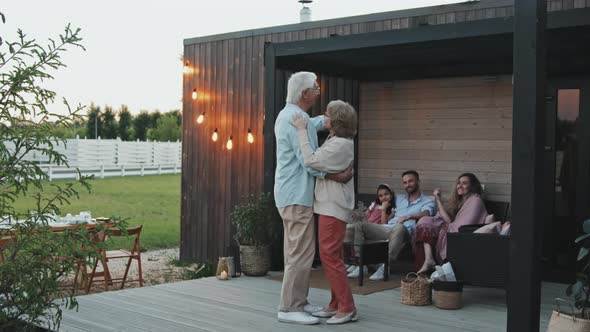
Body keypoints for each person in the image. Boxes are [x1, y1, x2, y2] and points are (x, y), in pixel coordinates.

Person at [274, 72, 352, 325]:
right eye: (315, 88)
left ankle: (299, 301)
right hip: (297, 195)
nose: (319, 91)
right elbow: (309, 162)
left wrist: (329, 120)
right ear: (305, 94)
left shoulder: (295, 116)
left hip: (289, 194)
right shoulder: (293, 120)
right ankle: (289, 308)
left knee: (295, 252)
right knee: (300, 254)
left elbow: (313, 123)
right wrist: (336, 175)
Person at [291, 99, 358, 324]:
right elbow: (324, 167)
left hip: (332, 206)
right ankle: (335, 303)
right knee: (334, 256)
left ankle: (347, 307)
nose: (324, 117)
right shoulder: (338, 140)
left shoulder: (339, 145)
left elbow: (310, 160)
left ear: (336, 121)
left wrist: (301, 130)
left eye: (328, 114)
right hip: (330, 204)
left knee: (330, 257)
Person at [347, 171, 435, 281]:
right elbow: (383, 195)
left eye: (411, 181)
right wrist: (372, 208)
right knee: (359, 225)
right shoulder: (398, 198)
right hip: (387, 227)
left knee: (399, 227)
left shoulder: (427, 201)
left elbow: (426, 213)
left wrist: (408, 217)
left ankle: (385, 266)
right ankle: (361, 263)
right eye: (405, 182)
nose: (408, 184)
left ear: (418, 181)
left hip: (405, 231)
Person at [413, 173, 488, 274]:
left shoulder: (475, 201)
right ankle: (428, 261)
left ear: (472, 186)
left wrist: (438, 200)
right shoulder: (458, 201)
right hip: (448, 228)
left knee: (427, 227)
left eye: (464, 183)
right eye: (459, 183)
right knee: (424, 222)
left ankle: (428, 266)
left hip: (459, 234)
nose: (460, 186)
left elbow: (456, 225)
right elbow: (446, 218)